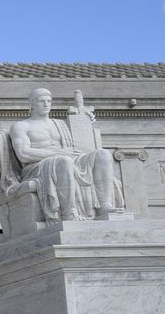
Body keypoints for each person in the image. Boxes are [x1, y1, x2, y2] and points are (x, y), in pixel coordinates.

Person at [9, 87, 124, 221]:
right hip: (36, 166)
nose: (46, 104)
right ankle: (69, 212)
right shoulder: (21, 126)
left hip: (67, 159)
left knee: (102, 154)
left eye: (49, 101)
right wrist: (57, 153)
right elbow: (24, 154)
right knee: (64, 161)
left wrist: (84, 121)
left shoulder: (60, 124)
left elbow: (79, 145)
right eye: (41, 101)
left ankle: (105, 205)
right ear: (32, 104)